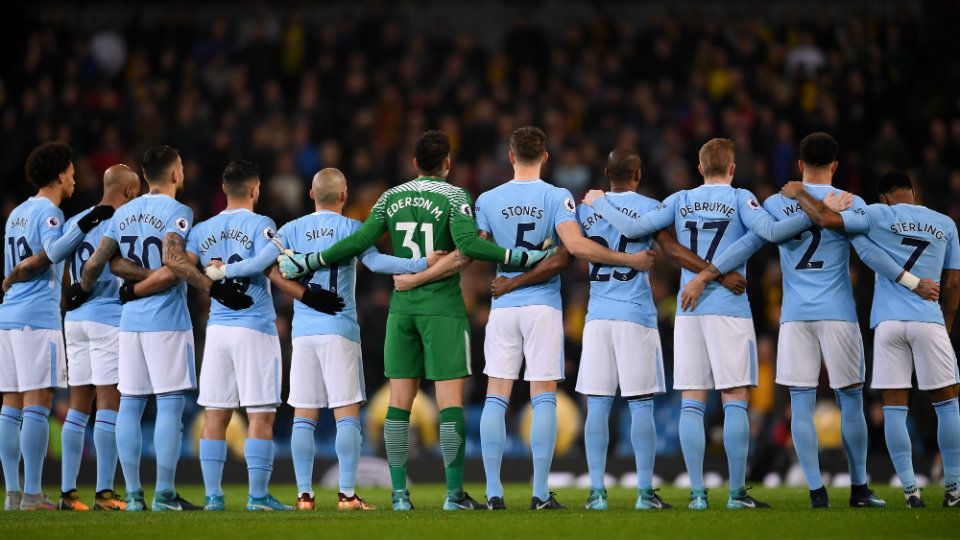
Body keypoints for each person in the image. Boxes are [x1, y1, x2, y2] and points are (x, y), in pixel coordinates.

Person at [277, 130, 554, 511]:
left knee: (399, 404)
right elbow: (469, 246)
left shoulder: (390, 197)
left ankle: (399, 495)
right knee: (450, 405)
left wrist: (311, 261)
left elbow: (360, 244)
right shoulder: (456, 195)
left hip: (401, 308)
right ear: (447, 164)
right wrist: (520, 258)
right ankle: (454, 494)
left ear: (413, 164)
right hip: (442, 308)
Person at [582, 138, 813, 510]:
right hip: (728, 308)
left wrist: (600, 201)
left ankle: (696, 495)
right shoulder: (740, 198)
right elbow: (770, 233)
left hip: (688, 308)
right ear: (732, 168)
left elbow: (633, 226)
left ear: (700, 167)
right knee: (735, 398)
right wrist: (815, 212)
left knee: (692, 401)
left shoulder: (679, 200)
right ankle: (737, 494)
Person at [680, 133, 894, 508]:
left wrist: (705, 274)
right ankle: (859, 489)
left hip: (794, 316)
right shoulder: (851, 202)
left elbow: (748, 243)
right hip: (839, 313)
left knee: (800, 403)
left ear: (799, 165)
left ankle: (816, 493)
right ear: (836, 165)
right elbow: (867, 250)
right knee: (850, 399)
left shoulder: (778, 203)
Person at [208, 167, 430, 510]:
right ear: (344, 196)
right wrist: (421, 262)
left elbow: (259, 264)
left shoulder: (291, 229)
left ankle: (304, 495)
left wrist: (224, 271)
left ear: (311, 195)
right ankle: (346, 495)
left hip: (304, 334)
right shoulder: (353, 228)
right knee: (347, 415)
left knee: (303, 416)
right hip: (339, 330)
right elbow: (377, 263)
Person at [472, 129, 659, 511]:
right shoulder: (557, 197)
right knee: (543, 397)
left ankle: (494, 493)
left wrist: (507, 276)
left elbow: (478, 248)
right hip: (542, 306)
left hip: (504, 307)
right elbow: (572, 249)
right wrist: (630, 260)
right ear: (544, 156)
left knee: (496, 396)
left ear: (510, 157)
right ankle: (540, 493)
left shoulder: (487, 199)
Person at [72, 145, 251, 511]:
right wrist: (211, 287)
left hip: (129, 323)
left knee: (132, 407)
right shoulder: (178, 211)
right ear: (174, 174)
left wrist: (84, 290)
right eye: (182, 168)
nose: (183, 173)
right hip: (166, 322)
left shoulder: (123, 214)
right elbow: (173, 263)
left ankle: (135, 495)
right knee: (170, 405)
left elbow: (99, 264)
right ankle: (165, 494)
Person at [785, 170, 960, 508]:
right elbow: (953, 285)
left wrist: (800, 193)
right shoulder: (945, 224)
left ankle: (911, 492)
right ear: (912, 190)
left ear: (883, 198)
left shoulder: (877, 214)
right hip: (929, 321)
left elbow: (825, 218)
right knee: (947, 403)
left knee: (894, 408)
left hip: (889, 324)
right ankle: (953, 489)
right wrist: (946, 322)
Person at [0, 142, 108, 510]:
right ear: (61, 174)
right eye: (73, 174)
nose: (75, 181)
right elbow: (54, 251)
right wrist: (84, 225)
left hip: (9, 316)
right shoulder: (49, 213)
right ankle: (31, 493)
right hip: (36, 318)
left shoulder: (16, 212)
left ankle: (13, 494)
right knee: (37, 402)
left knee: (10, 404)